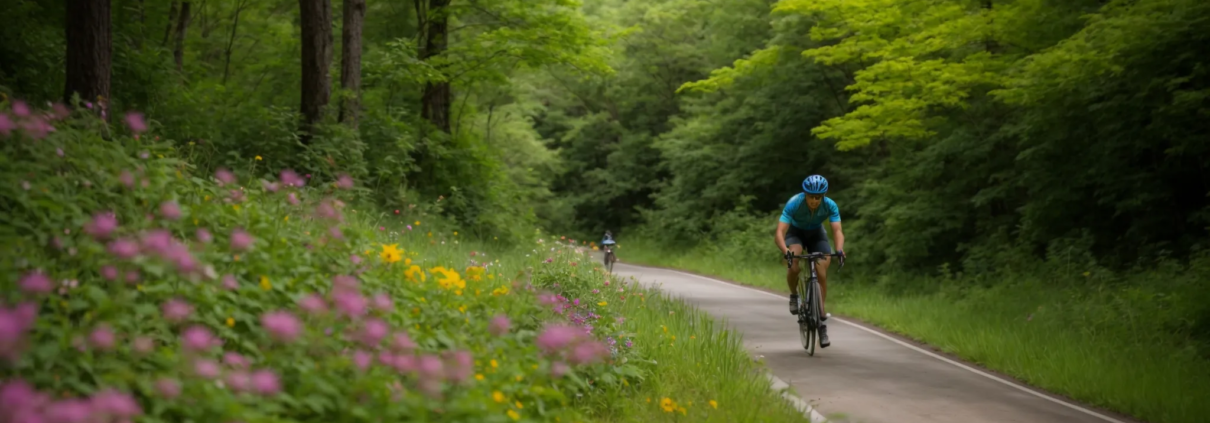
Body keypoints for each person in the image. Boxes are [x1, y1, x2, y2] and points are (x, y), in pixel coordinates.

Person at [774, 174, 845, 348]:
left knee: (821, 270)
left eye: (818, 197)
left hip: (817, 234)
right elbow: (779, 233)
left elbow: (837, 230)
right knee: (794, 263)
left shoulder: (830, 205)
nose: (814, 200)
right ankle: (793, 295)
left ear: (823, 196)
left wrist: (839, 249)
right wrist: (786, 252)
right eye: (811, 196)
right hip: (796, 233)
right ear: (805, 194)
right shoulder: (794, 203)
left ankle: (821, 316)